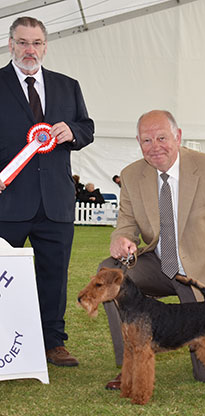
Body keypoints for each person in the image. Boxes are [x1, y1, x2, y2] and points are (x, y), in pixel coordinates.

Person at [99, 110, 205, 390]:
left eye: (162, 138)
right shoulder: (132, 175)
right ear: (138, 141)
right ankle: (130, 362)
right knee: (109, 271)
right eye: (146, 140)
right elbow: (126, 222)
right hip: (159, 266)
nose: (154, 146)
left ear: (178, 136)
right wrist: (120, 238)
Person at [0, 16, 94, 366]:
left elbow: (87, 128)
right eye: (23, 42)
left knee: (54, 277)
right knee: (2, 278)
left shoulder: (67, 86)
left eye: (36, 43)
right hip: (7, 201)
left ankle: (53, 342)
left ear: (45, 46)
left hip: (55, 202)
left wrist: (73, 130)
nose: (30, 49)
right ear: (10, 44)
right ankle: (4, 338)